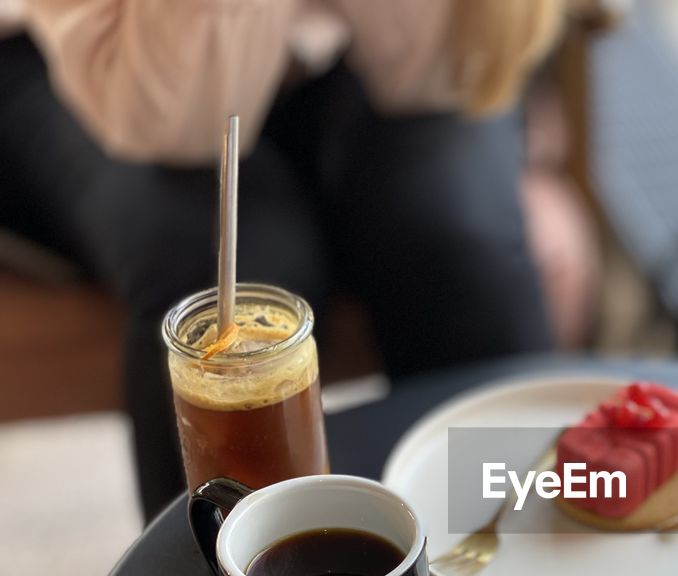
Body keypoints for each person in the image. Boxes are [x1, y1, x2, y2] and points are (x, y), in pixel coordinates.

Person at [0, 0, 564, 519]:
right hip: (104, 61)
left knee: (455, 241)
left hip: (339, 48)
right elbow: (174, 120)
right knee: (232, 282)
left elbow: (438, 79)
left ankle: (507, 556)